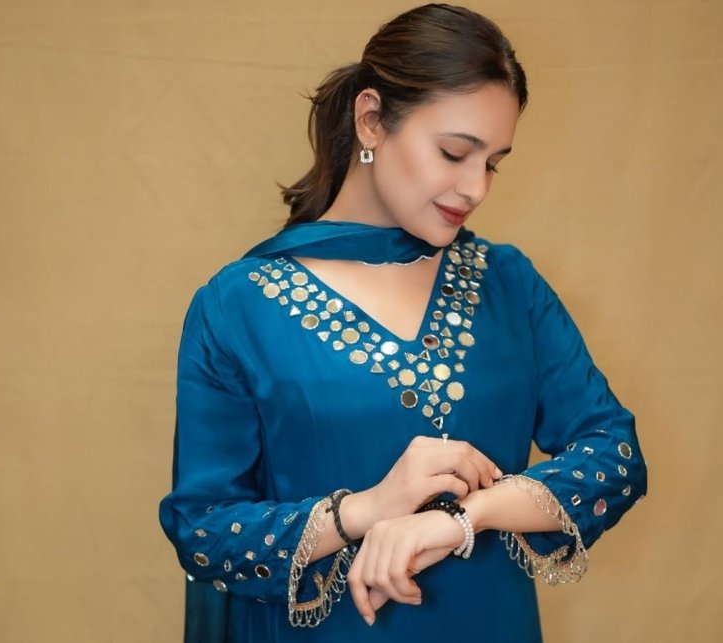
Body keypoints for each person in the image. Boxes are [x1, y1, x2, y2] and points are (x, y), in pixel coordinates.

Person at [159, 4, 648, 642]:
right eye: (454, 152)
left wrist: (463, 517)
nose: (475, 188)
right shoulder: (239, 305)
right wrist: (364, 510)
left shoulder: (507, 283)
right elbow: (203, 530)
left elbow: (614, 453)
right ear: (371, 120)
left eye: (492, 162)